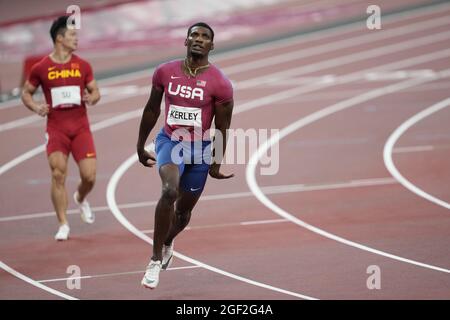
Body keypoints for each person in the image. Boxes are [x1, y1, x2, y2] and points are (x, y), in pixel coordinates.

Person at [137, 22, 234, 289]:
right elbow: (151, 110)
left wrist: (215, 164)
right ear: (186, 40)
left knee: (182, 213)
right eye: (194, 35)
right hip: (170, 141)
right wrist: (139, 146)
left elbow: (222, 128)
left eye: (205, 37)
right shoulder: (165, 72)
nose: (199, 39)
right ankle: (154, 260)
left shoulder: (220, 84)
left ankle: (168, 242)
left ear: (211, 46)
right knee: (169, 191)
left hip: (200, 149)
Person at [21, 16, 100, 241]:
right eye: (72, 35)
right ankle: (63, 223)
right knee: (57, 174)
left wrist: (91, 98)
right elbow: (26, 92)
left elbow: (96, 91)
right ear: (59, 38)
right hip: (56, 129)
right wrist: (36, 107)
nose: (76, 39)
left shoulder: (83, 65)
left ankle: (81, 198)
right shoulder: (41, 68)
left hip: (81, 128)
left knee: (90, 177)